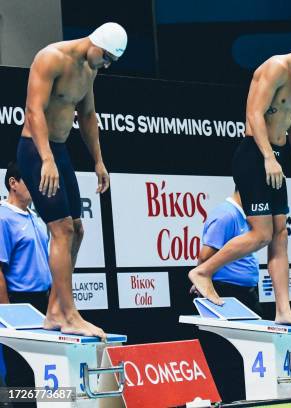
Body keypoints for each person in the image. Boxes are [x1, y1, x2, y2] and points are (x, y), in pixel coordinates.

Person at [189, 39, 291, 330]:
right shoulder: (275, 67)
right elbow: (254, 114)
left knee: (280, 234)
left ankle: (283, 310)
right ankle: (203, 272)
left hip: (277, 156)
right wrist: (268, 157)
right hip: (254, 155)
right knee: (262, 234)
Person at [17, 22, 128, 339]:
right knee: (62, 229)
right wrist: (46, 158)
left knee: (77, 229)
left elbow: (88, 115)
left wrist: (98, 161)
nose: (105, 65)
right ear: (95, 42)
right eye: (105, 57)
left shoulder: (89, 69)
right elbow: (33, 109)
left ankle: (54, 311)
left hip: (60, 150)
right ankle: (69, 314)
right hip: (35, 150)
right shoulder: (51, 57)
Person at [1, 162, 52, 388]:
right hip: (18, 303)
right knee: (20, 371)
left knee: (43, 368)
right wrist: (7, 313)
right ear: (13, 183)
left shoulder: (36, 217)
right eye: (29, 180)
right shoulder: (2, 218)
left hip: (44, 302)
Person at [191, 188, 261, 314]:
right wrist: (200, 282)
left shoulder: (244, 215)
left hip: (245, 293)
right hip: (225, 292)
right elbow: (205, 256)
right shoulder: (226, 215)